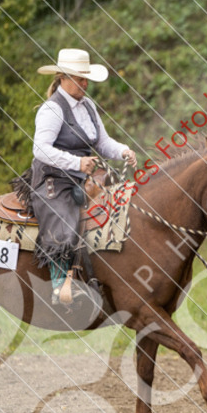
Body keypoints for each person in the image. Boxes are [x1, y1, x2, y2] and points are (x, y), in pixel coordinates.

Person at [31, 48, 137, 305]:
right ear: (63, 78)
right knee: (64, 216)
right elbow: (40, 149)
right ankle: (59, 286)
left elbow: (102, 142)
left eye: (86, 78)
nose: (85, 83)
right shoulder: (52, 109)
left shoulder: (88, 105)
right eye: (80, 79)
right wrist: (76, 162)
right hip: (53, 178)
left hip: (84, 176)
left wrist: (123, 151)